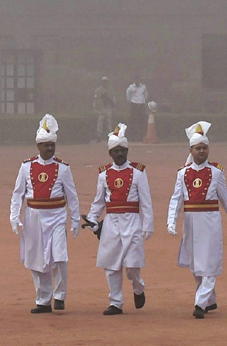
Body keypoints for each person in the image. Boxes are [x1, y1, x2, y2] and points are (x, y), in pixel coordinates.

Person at [167, 121, 227, 319]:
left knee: (209, 264)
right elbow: (176, 199)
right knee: (195, 265)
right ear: (191, 150)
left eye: (205, 148)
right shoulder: (182, 173)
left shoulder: (217, 172)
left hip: (210, 224)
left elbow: (226, 200)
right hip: (191, 225)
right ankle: (210, 300)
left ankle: (200, 303)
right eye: (198, 148)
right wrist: (171, 221)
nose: (202, 151)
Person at [9, 114, 81, 313]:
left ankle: (59, 296)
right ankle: (42, 299)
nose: (49, 149)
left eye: (52, 145)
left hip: (57, 215)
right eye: (45, 145)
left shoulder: (63, 169)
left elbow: (72, 196)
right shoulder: (26, 167)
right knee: (37, 259)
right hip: (33, 217)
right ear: (38, 146)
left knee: (59, 257)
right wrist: (14, 216)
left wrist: (75, 220)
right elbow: (18, 194)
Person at [84, 123, 154, 315]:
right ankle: (115, 302)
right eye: (116, 151)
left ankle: (138, 287)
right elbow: (98, 201)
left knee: (132, 265)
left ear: (127, 150)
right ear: (110, 153)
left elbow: (146, 201)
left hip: (132, 222)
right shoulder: (103, 174)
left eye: (122, 150)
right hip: (111, 224)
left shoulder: (139, 171)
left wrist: (148, 225)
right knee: (111, 265)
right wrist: (92, 219)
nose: (120, 154)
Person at [125, 77, 149, 141]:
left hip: (141, 105)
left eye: (137, 80)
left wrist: (143, 101)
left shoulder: (143, 87)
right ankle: (132, 137)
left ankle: (142, 137)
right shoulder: (131, 87)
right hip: (134, 105)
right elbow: (128, 95)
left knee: (142, 121)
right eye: (135, 80)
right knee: (133, 121)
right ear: (134, 80)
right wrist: (131, 101)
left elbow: (146, 95)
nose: (136, 81)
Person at [92, 77, 115, 143]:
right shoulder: (98, 90)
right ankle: (98, 136)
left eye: (106, 81)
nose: (105, 82)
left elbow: (112, 98)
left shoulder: (110, 90)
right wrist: (95, 107)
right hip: (101, 108)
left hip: (108, 107)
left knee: (109, 122)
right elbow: (96, 98)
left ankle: (109, 136)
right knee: (100, 122)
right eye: (103, 81)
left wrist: (113, 106)